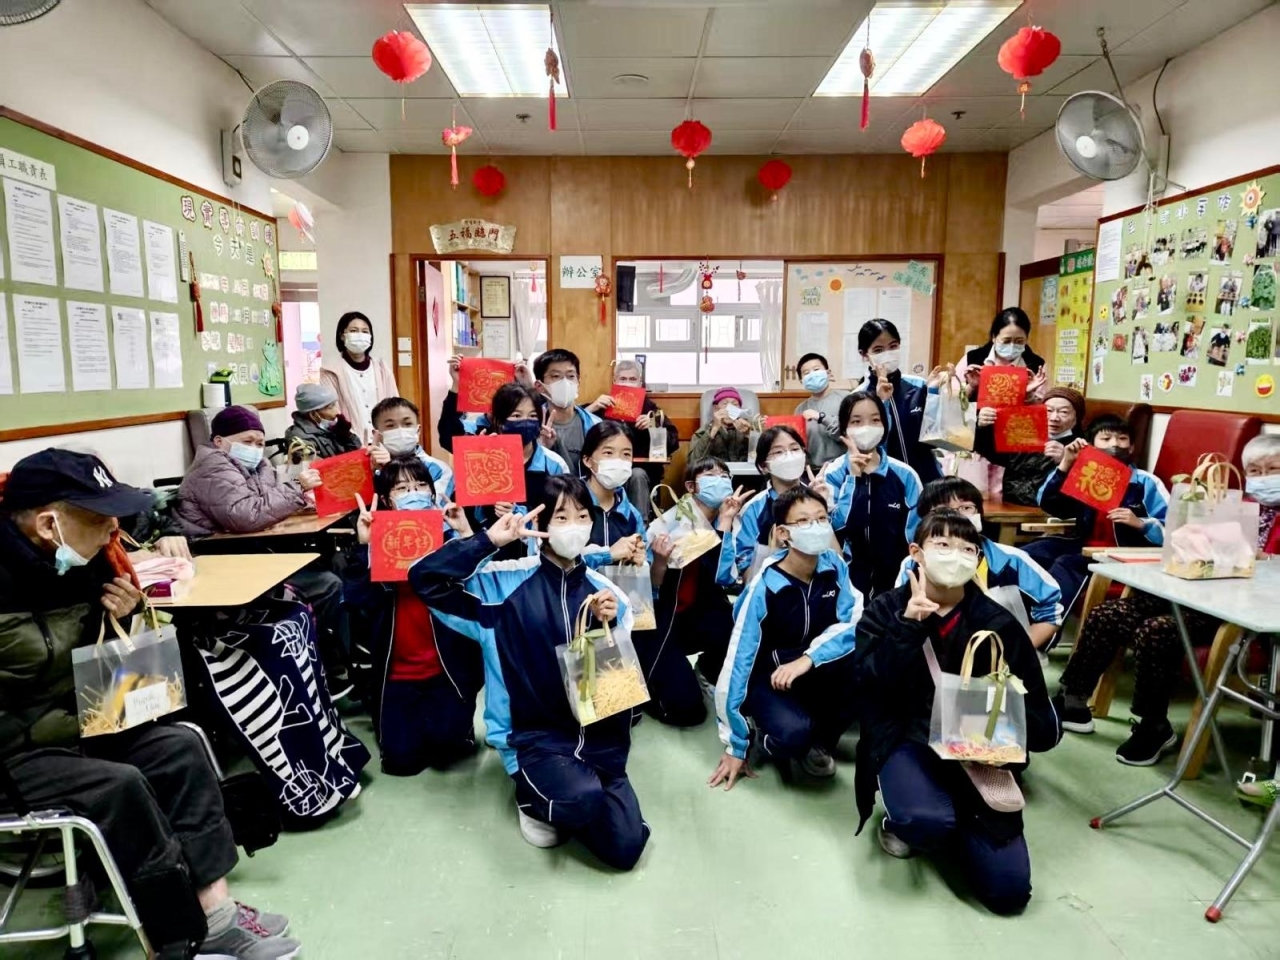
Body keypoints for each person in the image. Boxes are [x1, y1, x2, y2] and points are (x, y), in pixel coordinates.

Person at [0, 449, 300, 959]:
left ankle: (216, 914)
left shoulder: (86, 562)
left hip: (71, 724)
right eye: (99, 518)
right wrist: (92, 621)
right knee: (120, 783)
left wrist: (127, 616)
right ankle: (177, 934)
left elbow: (96, 669)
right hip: (14, 750)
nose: (113, 529)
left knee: (179, 746)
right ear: (49, 523)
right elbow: (31, 664)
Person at [411, 476, 649, 870]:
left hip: (599, 744)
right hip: (533, 741)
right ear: (539, 523)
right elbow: (426, 580)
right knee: (579, 799)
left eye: (583, 516)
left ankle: (571, 795)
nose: (574, 526)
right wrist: (488, 541)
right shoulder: (501, 587)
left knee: (627, 848)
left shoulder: (609, 595)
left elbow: (615, 686)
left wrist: (606, 622)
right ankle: (531, 796)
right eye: (561, 516)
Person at [854, 510, 1061, 915]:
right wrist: (908, 626)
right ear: (917, 552)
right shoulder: (886, 610)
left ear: (978, 559)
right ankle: (911, 817)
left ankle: (958, 820)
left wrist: (1006, 728)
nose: (955, 555)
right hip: (908, 739)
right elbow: (865, 685)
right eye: (942, 544)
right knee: (925, 822)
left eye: (967, 548)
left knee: (1008, 893)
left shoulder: (998, 623)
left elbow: (1042, 727)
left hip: (978, 754)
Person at [1054, 433, 1280, 766]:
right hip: (1195, 591)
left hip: (1240, 612)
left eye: (1273, 470)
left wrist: (1261, 560)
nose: (1263, 478)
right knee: (1108, 613)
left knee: (1156, 630)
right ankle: (1073, 699)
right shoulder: (1227, 505)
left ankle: (1154, 725)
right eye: (1255, 471)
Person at [171, 405, 353, 695]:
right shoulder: (212, 468)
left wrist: (302, 499)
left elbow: (266, 504)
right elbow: (246, 515)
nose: (255, 449)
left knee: (335, 563)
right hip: (218, 561)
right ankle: (329, 668)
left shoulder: (256, 466)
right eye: (247, 441)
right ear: (219, 441)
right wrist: (296, 488)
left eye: (259, 442)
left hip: (248, 552)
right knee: (326, 584)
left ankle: (334, 660)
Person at [708, 486, 861, 787]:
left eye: (821, 518)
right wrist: (736, 744)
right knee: (792, 736)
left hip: (811, 668)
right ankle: (765, 731)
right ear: (783, 533)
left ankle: (818, 741)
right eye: (803, 521)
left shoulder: (835, 567)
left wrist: (809, 658)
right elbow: (739, 662)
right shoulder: (764, 586)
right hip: (769, 679)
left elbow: (854, 620)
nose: (815, 527)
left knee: (867, 671)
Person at [341, 457, 483, 775]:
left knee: (451, 752)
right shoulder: (378, 544)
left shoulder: (448, 539)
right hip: (398, 674)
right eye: (402, 488)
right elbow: (356, 601)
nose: (413, 493)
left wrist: (465, 534)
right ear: (387, 499)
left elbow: (479, 587)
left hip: (445, 671)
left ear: (432, 493)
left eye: (420, 486)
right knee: (401, 763)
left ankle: (453, 719)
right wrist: (364, 547)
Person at [579, 422, 705, 728]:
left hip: (631, 619)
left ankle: (641, 681)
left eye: (626, 454)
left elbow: (651, 586)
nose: (618, 461)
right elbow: (552, 561)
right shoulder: (570, 501)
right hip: (581, 620)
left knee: (687, 707)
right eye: (608, 453)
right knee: (611, 718)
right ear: (588, 460)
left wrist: (657, 561)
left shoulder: (632, 515)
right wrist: (607, 554)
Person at [897, 478, 1063, 651]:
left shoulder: (1013, 561)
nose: (958, 516)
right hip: (934, 656)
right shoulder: (913, 565)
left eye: (966, 507)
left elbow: (1051, 610)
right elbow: (899, 615)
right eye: (944, 510)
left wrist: (1015, 654)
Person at [1027, 414, 1167, 614]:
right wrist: (1065, 464)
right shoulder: (1084, 475)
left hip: (1119, 555)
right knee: (1028, 554)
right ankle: (1013, 618)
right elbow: (1049, 504)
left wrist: (1141, 523)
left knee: (1067, 563)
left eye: (1122, 439)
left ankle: (1045, 626)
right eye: (1106, 439)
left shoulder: (1145, 482)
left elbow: (1172, 531)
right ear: (1091, 446)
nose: (1115, 444)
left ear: (1132, 447)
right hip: (1081, 545)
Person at [824, 391, 922, 600]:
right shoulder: (833, 473)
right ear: (844, 428)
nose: (866, 427)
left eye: (875, 420)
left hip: (897, 577)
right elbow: (837, 527)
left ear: (884, 425)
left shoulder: (905, 475)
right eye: (856, 421)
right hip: (848, 577)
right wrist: (853, 478)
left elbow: (918, 532)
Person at [649, 457, 736, 690]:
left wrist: (726, 522)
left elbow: (725, 577)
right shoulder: (670, 521)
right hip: (669, 614)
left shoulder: (728, 517)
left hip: (706, 610)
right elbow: (651, 585)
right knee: (681, 699)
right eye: (710, 475)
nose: (719, 481)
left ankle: (706, 670)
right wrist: (660, 561)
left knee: (737, 628)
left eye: (724, 476)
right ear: (691, 486)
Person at [716, 425, 832, 587]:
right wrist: (773, 550)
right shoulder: (753, 510)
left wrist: (823, 509)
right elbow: (748, 578)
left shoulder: (821, 499)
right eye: (778, 452)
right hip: (771, 593)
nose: (789, 456)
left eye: (795, 449)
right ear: (764, 466)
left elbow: (837, 560)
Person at [856, 319, 941, 483]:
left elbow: (934, 437)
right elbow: (867, 446)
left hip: (927, 479)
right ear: (864, 355)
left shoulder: (918, 385)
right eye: (879, 350)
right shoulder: (859, 397)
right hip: (886, 483)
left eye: (893, 346)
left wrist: (933, 393)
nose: (888, 353)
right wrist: (882, 402)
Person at [595, 360, 679, 519]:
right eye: (623, 379)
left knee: (637, 475)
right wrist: (592, 408)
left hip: (641, 470)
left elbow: (673, 442)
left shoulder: (651, 410)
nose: (627, 383)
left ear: (640, 383)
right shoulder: (603, 406)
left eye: (632, 379)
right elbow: (579, 428)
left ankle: (641, 525)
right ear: (614, 381)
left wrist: (653, 427)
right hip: (607, 467)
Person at [974, 386, 1084, 506]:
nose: (1054, 418)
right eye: (1048, 410)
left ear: (1076, 418)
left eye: (1064, 412)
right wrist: (982, 427)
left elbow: (1084, 490)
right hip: (1010, 506)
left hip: (1049, 512)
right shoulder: (1024, 434)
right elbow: (990, 452)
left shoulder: (1080, 446)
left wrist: (1066, 461)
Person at [319, 310, 399, 441]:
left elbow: (395, 406)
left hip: (384, 443)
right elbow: (331, 413)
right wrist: (352, 441)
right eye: (354, 331)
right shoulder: (330, 372)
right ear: (342, 335)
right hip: (349, 444)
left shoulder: (382, 369)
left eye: (365, 331)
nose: (360, 335)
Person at [528, 348, 601, 475]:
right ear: (540, 386)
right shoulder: (530, 426)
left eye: (571, 376)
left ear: (578, 382)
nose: (565, 382)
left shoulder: (596, 425)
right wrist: (540, 449)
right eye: (556, 376)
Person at [956, 308, 1047, 405]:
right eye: (1006, 341)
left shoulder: (1036, 365)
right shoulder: (972, 358)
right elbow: (953, 399)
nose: (1012, 346)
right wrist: (971, 386)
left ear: (1026, 339)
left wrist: (1029, 395)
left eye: (1019, 341)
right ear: (994, 337)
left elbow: (1043, 407)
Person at [369, 396, 454, 496]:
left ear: (418, 430)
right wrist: (370, 471)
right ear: (377, 434)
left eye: (407, 423)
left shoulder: (439, 470)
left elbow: (429, 504)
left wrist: (391, 470)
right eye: (390, 425)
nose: (400, 430)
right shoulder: (370, 471)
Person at [794, 352, 849, 469]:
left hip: (842, 468)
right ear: (801, 381)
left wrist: (821, 417)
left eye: (816, 369)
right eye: (806, 373)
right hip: (812, 469)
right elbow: (797, 443)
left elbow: (847, 435)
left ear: (828, 373)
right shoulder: (800, 409)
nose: (812, 375)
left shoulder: (846, 399)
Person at [284, 380, 361, 462]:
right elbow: (319, 467)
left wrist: (347, 436)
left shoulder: (332, 429)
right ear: (313, 414)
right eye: (330, 407)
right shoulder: (301, 439)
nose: (337, 412)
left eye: (335, 405)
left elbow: (357, 454)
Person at [690, 386, 752, 463]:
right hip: (715, 470)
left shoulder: (749, 427)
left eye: (735, 404)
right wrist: (714, 429)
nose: (730, 408)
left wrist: (749, 435)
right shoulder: (703, 432)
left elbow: (762, 458)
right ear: (715, 408)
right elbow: (693, 462)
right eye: (725, 404)